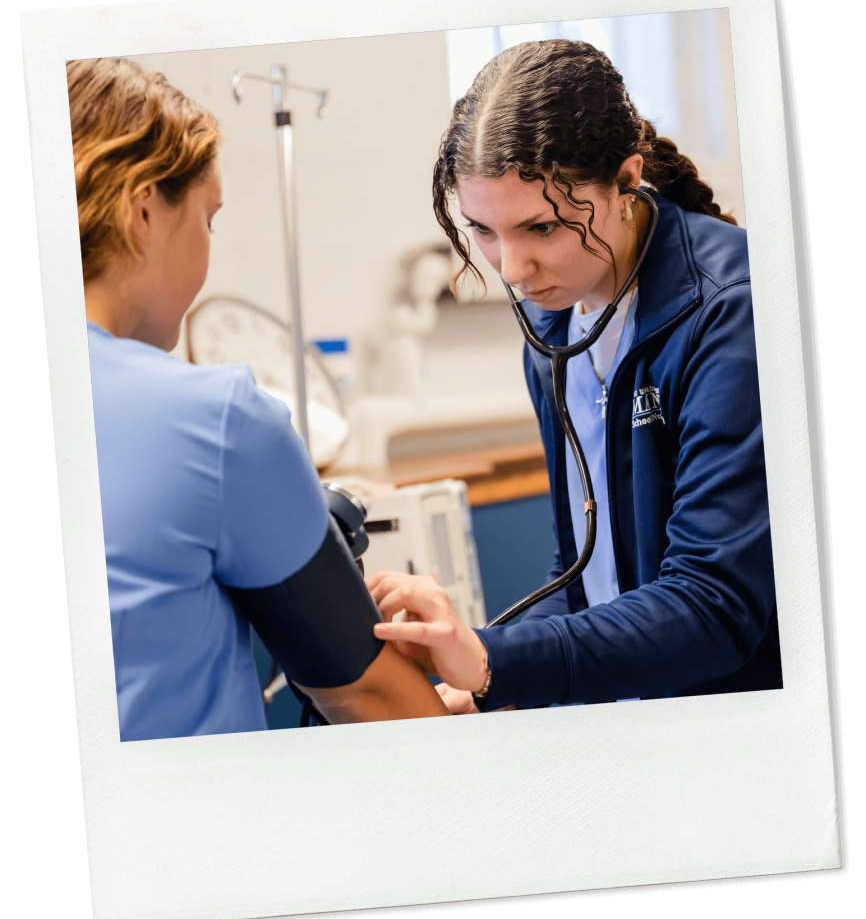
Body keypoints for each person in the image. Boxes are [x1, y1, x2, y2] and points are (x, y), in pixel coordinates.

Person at [368, 39, 782, 714]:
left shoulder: (735, 309)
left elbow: (715, 606)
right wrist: (487, 679)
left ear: (625, 181)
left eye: (541, 227)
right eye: (486, 231)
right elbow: (580, 575)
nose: (512, 271)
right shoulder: (555, 330)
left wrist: (492, 659)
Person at [69, 57, 448, 739]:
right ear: (145, 210)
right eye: (208, 220)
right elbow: (370, 693)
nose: (207, 245)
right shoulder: (214, 419)